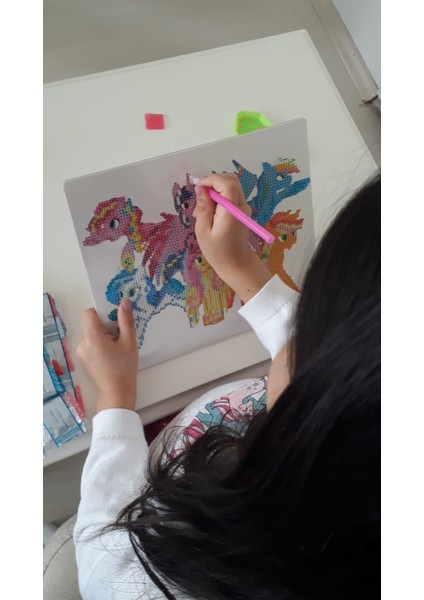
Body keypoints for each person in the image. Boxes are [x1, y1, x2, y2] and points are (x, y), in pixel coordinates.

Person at [74, 173, 381, 600]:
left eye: (312, 316)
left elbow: (100, 551)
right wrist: (240, 266)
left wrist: (114, 396)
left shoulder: (156, 586)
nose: (298, 333)